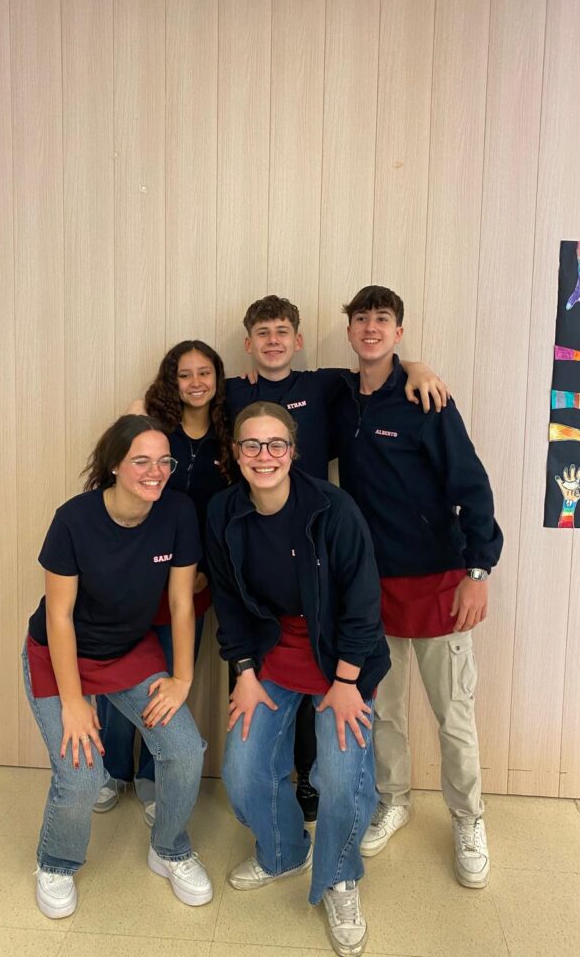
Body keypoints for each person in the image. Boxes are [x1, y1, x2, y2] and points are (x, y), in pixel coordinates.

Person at [225, 294, 450, 823]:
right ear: (248, 343)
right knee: (258, 646)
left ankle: (312, 779)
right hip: (252, 535)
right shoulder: (234, 391)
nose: (274, 341)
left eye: (283, 331)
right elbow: (182, 395)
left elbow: (378, 368)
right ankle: (263, 780)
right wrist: (138, 407)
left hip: (317, 540)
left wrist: (417, 366)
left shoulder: (325, 384)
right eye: (263, 333)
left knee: (316, 660)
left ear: (298, 341)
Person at [332, 285, 503, 889]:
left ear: (398, 333)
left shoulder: (426, 399)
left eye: (382, 319)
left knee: (453, 713)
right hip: (370, 586)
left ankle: (468, 817)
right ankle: (394, 800)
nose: (370, 328)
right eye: (361, 319)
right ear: (349, 331)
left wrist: (478, 572)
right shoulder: (339, 396)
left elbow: (472, 485)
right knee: (384, 711)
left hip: (438, 582)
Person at [206, 402, 390, 957]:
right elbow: (228, 603)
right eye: (251, 445)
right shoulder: (222, 511)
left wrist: (347, 682)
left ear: (293, 451)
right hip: (270, 657)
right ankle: (285, 852)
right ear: (235, 453)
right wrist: (243, 671)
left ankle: (340, 877)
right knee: (241, 772)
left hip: (342, 661)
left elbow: (363, 603)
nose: (263, 456)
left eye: (275, 445)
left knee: (339, 777)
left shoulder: (334, 509)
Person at [23, 415, 213, 919]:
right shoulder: (74, 520)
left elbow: (181, 603)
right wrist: (73, 702)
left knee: (184, 751)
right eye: (141, 461)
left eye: (164, 461)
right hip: (59, 655)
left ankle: (169, 849)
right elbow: (59, 618)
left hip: (129, 651)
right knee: (82, 776)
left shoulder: (178, 511)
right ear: (114, 465)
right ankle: (55, 863)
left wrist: (182, 678)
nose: (156, 471)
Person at [94, 342, 233, 819]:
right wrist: (135, 410)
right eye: (184, 374)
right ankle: (112, 769)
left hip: (193, 582)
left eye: (204, 372)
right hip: (136, 579)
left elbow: (231, 516)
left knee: (170, 680)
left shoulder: (228, 434)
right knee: (119, 677)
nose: (195, 382)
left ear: (218, 379)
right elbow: (116, 486)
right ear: (171, 381)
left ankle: (154, 775)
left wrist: (205, 571)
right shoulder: (153, 430)